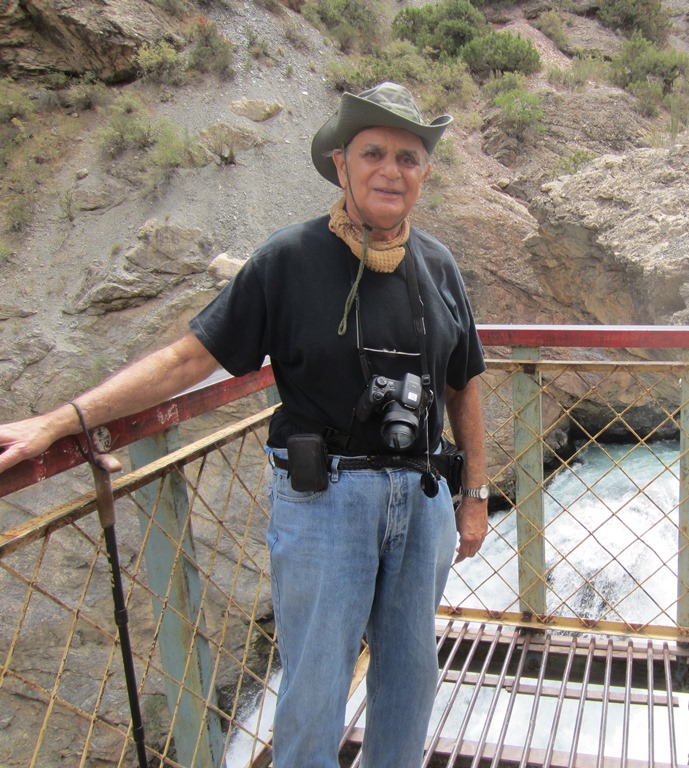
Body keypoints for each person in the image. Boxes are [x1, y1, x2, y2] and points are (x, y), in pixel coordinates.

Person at [0, 82, 489, 768]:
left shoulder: (438, 264)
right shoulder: (288, 259)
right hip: (326, 505)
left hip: (425, 497)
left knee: (410, 679)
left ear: (424, 173)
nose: (391, 169)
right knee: (315, 691)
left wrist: (476, 495)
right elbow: (187, 358)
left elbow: (464, 379)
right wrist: (67, 417)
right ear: (340, 164)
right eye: (373, 152)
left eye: (408, 157)